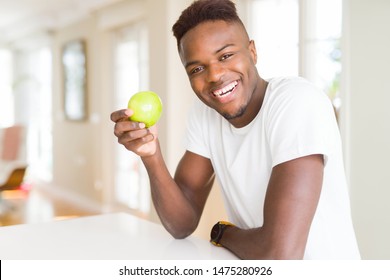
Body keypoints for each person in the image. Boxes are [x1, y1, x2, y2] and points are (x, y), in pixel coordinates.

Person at [111, 0, 360, 259]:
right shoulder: (205, 114)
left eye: (226, 55)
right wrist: (151, 155)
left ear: (252, 52)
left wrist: (222, 233)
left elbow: (280, 256)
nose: (215, 75)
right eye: (197, 68)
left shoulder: (297, 102)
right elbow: (181, 223)